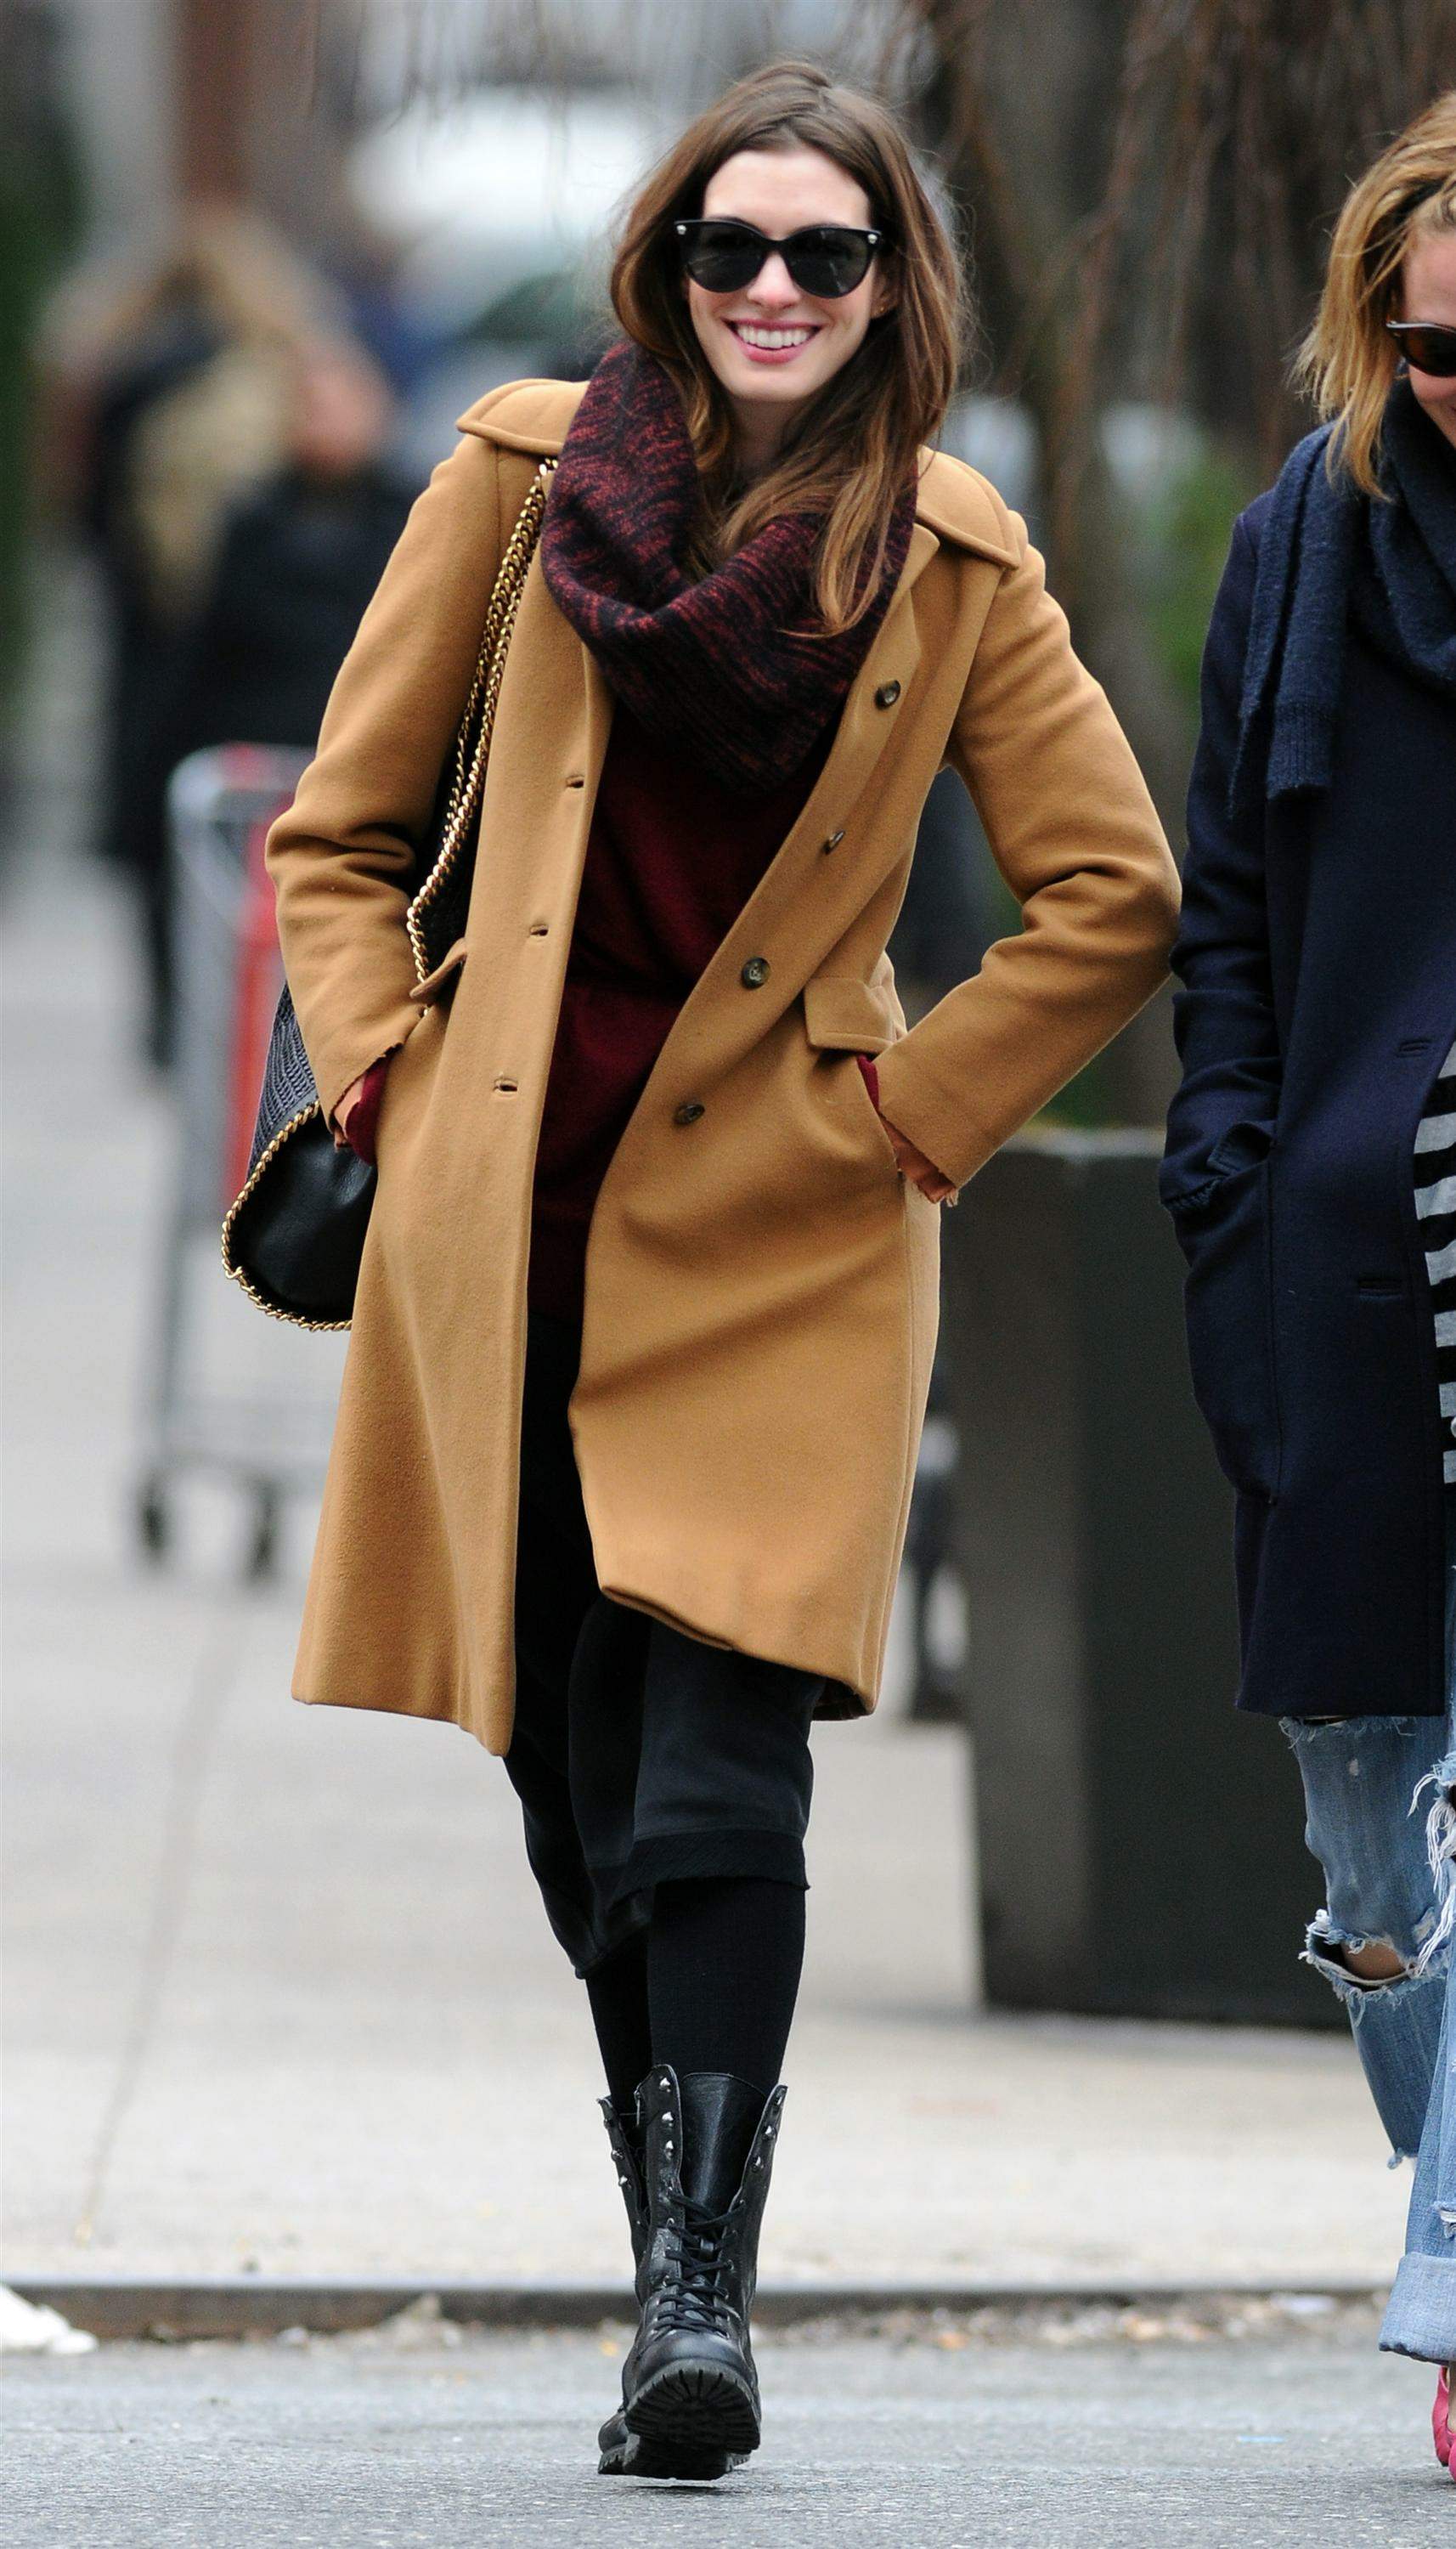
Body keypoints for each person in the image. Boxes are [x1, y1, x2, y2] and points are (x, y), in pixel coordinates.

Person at [267, 59, 1178, 2482]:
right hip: (515, 1223)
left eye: (823, 254)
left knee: (714, 1760)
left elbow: (1112, 892)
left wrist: (910, 1112)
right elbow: (336, 838)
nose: (772, 288)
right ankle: (662, 2235)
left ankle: (697, 2300)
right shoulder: (511, 486)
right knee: (575, 1779)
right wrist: (382, 1075)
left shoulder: (951, 559)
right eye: (729, 247)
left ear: (892, 291)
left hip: (782, 1239)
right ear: (665, 266)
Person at [1162, 94, 1456, 2467]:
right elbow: (1224, 915)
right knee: (1376, 1877)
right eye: (1434, 347)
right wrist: (1227, 1178)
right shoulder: (1300, 543)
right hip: (1341, 1273)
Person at [131, 341, 413, 863]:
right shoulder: (253, 523)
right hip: (260, 769)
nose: (327, 424)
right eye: (313, 407)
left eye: (342, 406)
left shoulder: (416, 515)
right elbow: (204, 655)